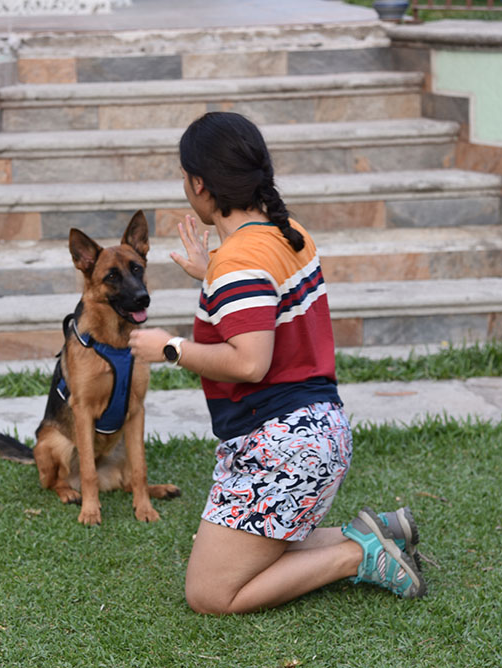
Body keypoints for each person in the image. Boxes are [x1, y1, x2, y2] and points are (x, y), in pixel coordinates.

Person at [128, 112, 426, 615]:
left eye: (184, 176)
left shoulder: (238, 261)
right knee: (243, 557)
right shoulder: (286, 235)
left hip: (283, 447)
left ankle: (359, 555)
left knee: (211, 594)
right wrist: (212, 275)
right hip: (315, 433)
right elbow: (268, 305)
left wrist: (170, 347)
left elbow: (250, 362)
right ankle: (378, 530)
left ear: (200, 184)